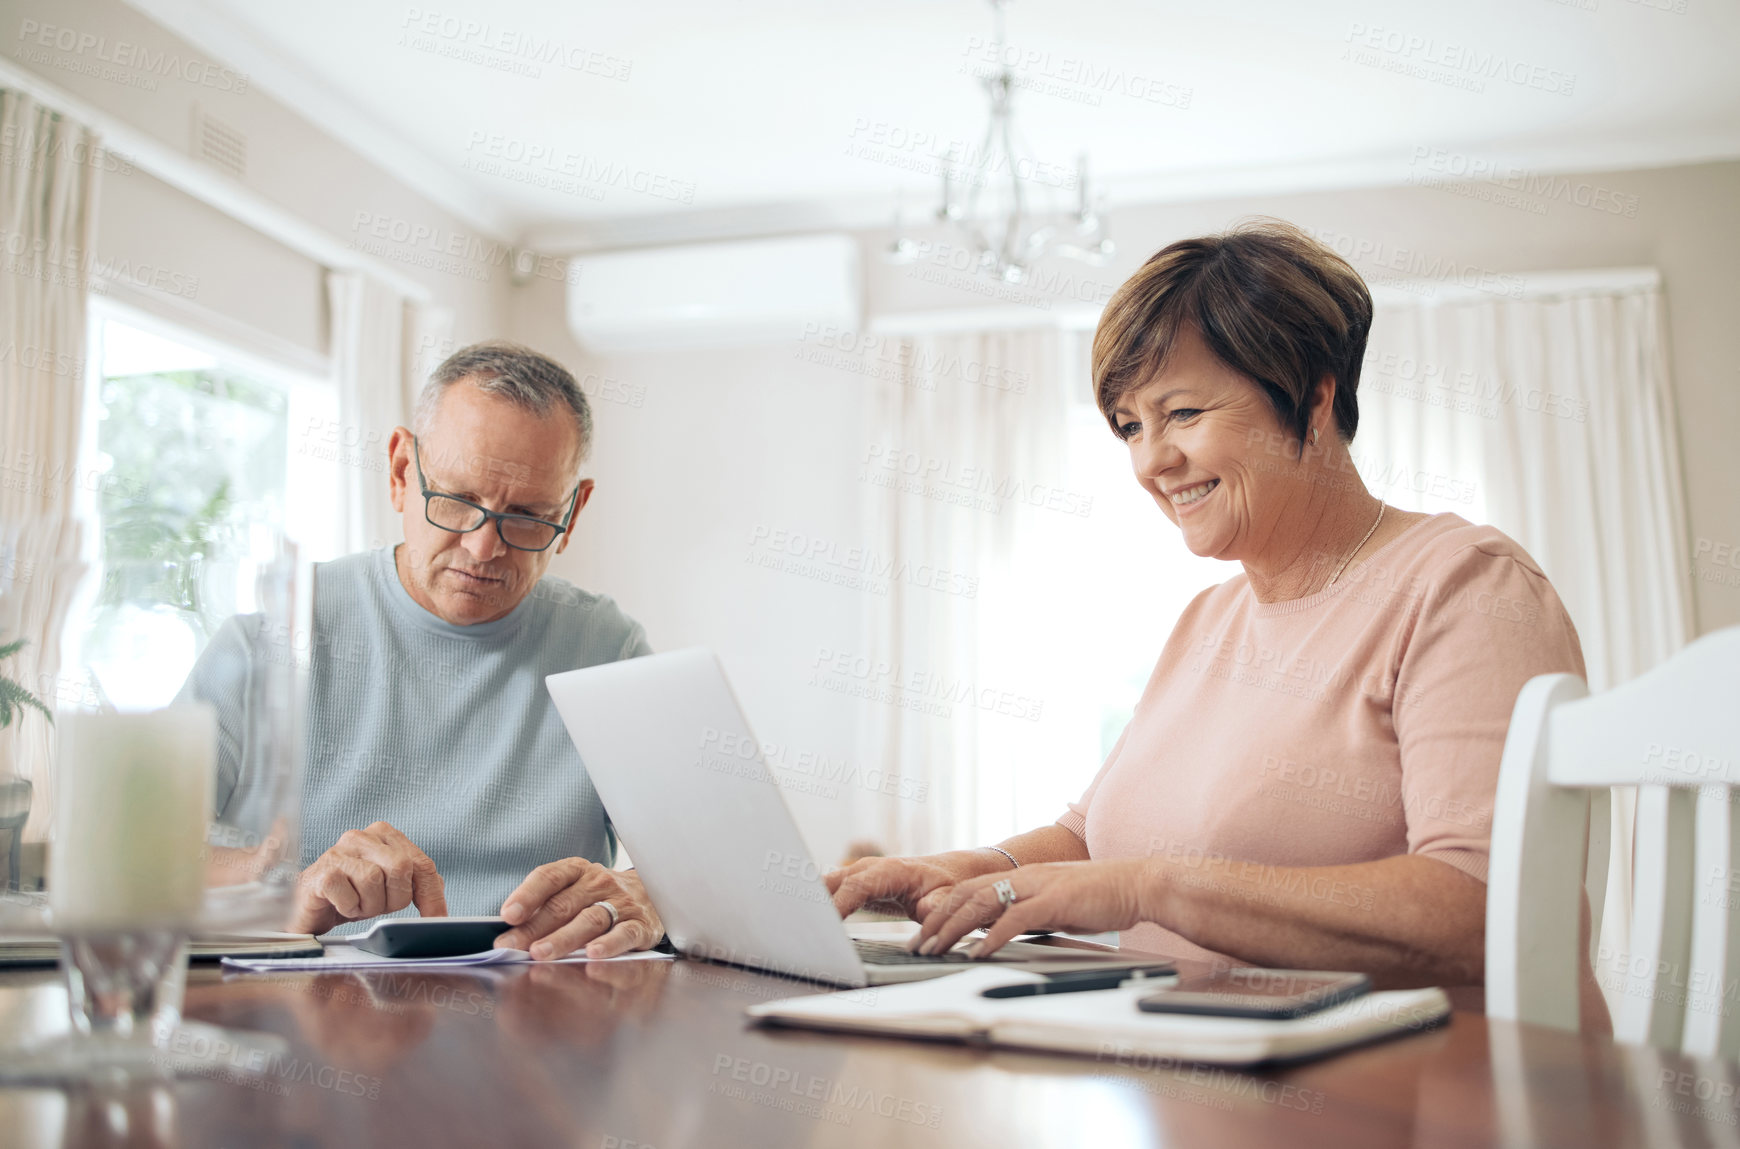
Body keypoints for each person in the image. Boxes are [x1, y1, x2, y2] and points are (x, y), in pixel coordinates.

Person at [828, 220, 1605, 1024]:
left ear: (1312, 397)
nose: (1149, 462)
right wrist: (957, 872)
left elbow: (1482, 908)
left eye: (1183, 413)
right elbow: (1095, 839)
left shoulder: (1466, 587)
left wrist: (1155, 885)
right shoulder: (1208, 621)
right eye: (1131, 425)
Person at [186, 341, 661, 959]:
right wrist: (283, 892)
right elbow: (131, 854)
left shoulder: (610, 652)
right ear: (401, 472)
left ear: (573, 513)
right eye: (459, 500)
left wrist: (646, 893)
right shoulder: (273, 635)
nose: (483, 547)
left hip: (538, 1016)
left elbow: (702, 872)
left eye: (528, 517)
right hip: (308, 1005)